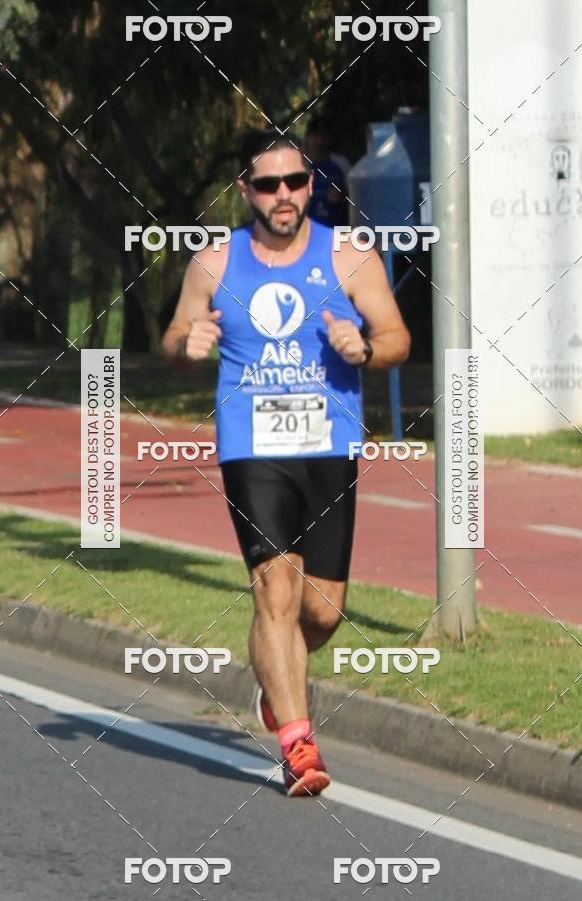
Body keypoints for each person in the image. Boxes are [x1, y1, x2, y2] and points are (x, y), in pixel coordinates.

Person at [163, 128, 410, 797]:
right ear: (246, 190)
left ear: (311, 185)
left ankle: (278, 682)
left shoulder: (351, 258)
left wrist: (364, 347)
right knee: (274, 587)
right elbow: (175, 333)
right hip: (252, 445)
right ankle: (298, 744)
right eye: (268, 184)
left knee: (322, 611)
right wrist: (190, 343)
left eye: (294, 182)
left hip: (328, 444)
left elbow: (397, 338)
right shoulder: (214, 261)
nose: (282, 196)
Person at [304, 115, 349, 227]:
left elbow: (355, 198)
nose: (319, 141)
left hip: (335, 228)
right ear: (307, 138)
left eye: (324, 137)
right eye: (315, 136)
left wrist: (342, 197)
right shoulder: (299, 163)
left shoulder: (340, 162)